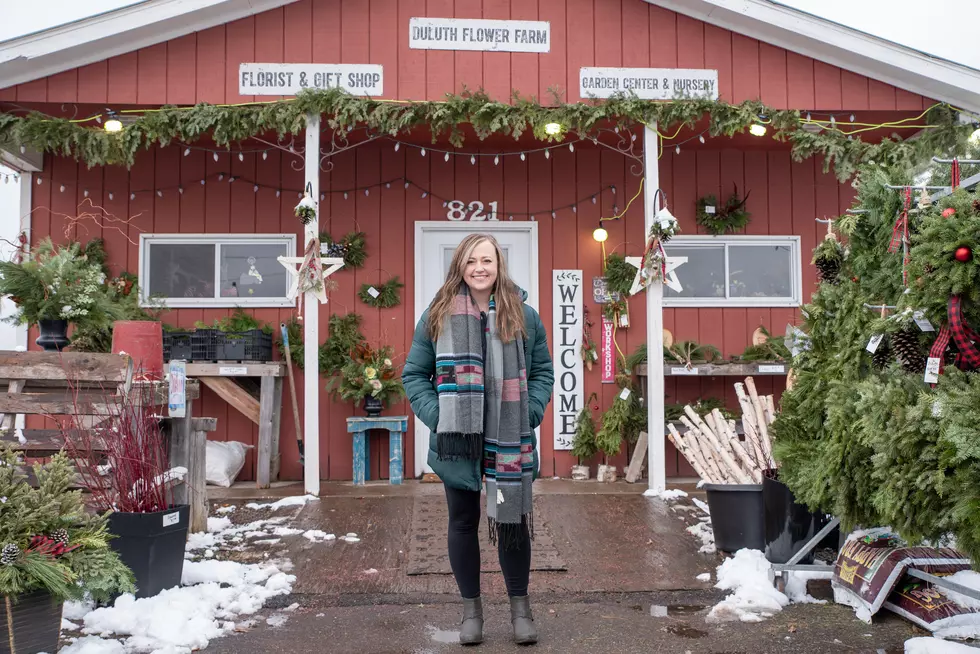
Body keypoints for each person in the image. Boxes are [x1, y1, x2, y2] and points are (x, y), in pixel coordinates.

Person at [402, 233, 555, 646]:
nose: (479, 268)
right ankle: (472, 613)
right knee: (463, 522)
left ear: (499, 265)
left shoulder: (524, 315)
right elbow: (414, 375)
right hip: (459, 443)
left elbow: (543, 372)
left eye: (487, 260)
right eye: (471, 261)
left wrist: (532, 411)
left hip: (507, 440)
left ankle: (520, 611)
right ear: (460, 266)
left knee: (511, 525)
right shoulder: (437, 313)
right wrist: (442, 420)